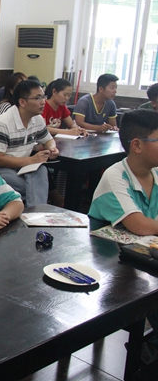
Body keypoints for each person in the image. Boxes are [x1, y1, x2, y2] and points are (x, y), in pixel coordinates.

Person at [88, 109, 158, 351]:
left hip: (145, 257)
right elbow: (139, 225)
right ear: (137, 145)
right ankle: (147, 350)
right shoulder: (115, 175)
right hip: (113, 264)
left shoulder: (155, 173)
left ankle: (149, 348)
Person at [0, 80, 59, 207]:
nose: (43, 102)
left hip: (20, 165)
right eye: (38, 98)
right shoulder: (3, 123)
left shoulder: (37, 119)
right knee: (31, 187)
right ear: (22, 102)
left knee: (41, 171)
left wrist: (52, 148)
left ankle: (35, 213)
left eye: (43, 97)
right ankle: (37, 212)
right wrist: (32, 160)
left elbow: (48, 140)